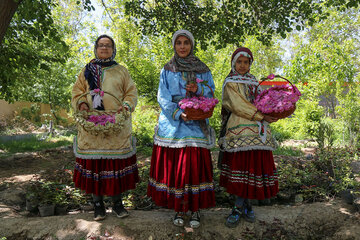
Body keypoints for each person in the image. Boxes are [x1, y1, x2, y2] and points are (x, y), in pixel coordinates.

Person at [147, 30, 216, 228]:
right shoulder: (167, 69)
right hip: (173, 121)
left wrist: (199, 90)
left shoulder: (203, 69)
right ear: (174, 46)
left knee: (194, 167)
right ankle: (179, 207)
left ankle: (195, 209)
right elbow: (162, 96)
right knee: (177, 168)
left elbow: (211, 92)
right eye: (179, 43)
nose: (183, 46)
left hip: (196, 120)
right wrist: (177, 113)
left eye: (186, 42)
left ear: (191, 45)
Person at [72, 34, 138, 221]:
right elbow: (77, 92)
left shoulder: (121, 71)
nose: (104, 48)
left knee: (114, 164)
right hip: (92, 125)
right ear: (96, 48)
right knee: (96, 166)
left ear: (113, 49)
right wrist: (82, 104)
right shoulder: (86, 71)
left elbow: (131, 92)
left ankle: (117, 204)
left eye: (108, 45)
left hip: (115, 125)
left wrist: (125, 106)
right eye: (101, 45)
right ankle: (98, 206)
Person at [218, 47, 279, 227]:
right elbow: (237, 105)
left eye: (246, 62)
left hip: (258, 133)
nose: (243, 65)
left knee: (251, 168)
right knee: (242, 166)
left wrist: (273, 108)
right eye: (239, 62)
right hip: (239, 131)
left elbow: (262, 102)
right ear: (233, 63)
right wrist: (261, 116)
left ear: (250, 64)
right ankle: (239, 207)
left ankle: (245, 205)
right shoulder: (230, 82)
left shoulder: (254, 82)